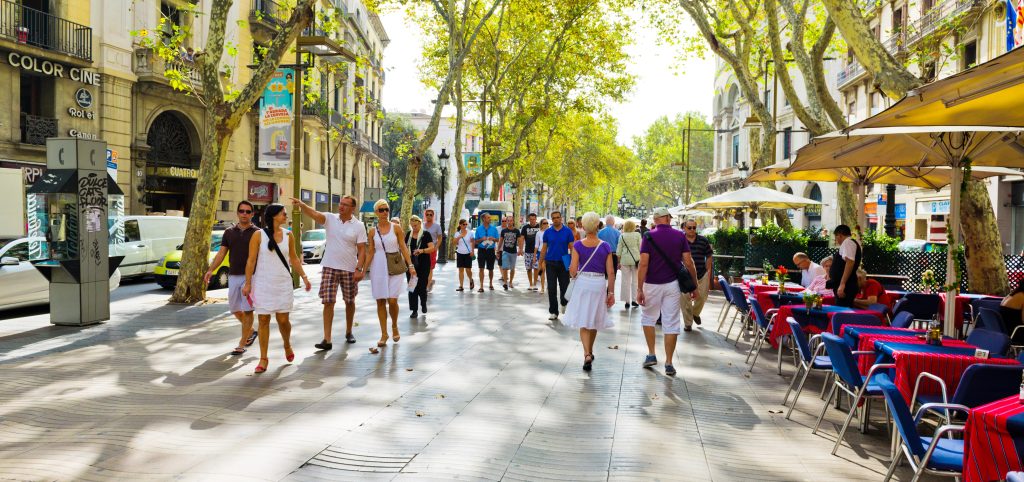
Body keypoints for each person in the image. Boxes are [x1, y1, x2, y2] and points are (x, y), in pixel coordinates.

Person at [242, 203, 312, 374]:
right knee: (264, 320)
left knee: (282, 321)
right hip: (263, 283)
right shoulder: (258, 235)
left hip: (282, 283)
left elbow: (294, 259)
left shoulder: (289, 235)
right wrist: (248, 283)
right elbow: (251, 260)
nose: (286, 216)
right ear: (274, 216)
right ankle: (263, 358)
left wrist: (304, 276)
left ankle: (287, 344)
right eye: (283, 214)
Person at [291, 195, 367, 350]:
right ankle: (327, 339)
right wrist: (302, 205)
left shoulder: (359, 226)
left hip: (349, 269)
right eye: (341, 203)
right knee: (328, 302)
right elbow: (314, 214)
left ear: (352, 208)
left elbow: (362, 250)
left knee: (350, 301)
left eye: (345, 205)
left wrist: (359, 269)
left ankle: (349, 331)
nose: (341, 206)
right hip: (329, 267)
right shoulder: (330, 219)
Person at [637, 207, 698, 377]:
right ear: (667, 219)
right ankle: (669, 363)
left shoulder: (648, 236)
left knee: (648, 318)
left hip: (651, 284)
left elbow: (643, 264)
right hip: (672, 284)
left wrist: (639, 288)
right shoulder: (680, 236)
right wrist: (694, 286)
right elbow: (688, 262)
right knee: (671, 322)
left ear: (656, 219)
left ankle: (651, 354)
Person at [563, 212, 616, 371]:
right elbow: (611, 272)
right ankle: (590, 351)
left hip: (583, 283)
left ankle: (586, 353)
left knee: (583, 318)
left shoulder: (578, 245)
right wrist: (611, 293)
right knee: (593, 317)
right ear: (598, 226)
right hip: (599, 283)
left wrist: (572, 269)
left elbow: (573, 271)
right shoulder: (605, 246)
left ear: (584, 226)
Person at [206, 201, 259, 355]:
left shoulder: (257, 232)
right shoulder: (229, 232)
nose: (244, 214)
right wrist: (210, 270)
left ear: (252, 214)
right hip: (233, 275)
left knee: (248, 310)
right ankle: (252, 331)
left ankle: (242, 344)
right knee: (235, 309)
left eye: (248, 211)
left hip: (251, 276)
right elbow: (221, 253)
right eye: (241, 211)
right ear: (237, 213)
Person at [363, 200, 416, 350]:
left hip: (395, 266)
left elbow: (404, 247)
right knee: (380, 302)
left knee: (392, 301)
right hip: (378, 267)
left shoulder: (397, 228)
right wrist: (362, 269)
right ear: (376, 213)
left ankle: (394, 326)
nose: (385, 212)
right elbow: (371, 251)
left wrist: (410, 265)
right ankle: (384, 334)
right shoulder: (373, 231)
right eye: (381, 210)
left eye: (386, 209)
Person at [540, 211, 575, 320]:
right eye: (553, 218)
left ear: (561, 218)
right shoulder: (547, 232)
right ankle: (553, 311)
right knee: (551, 288)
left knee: (564, 287)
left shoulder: (568, 232)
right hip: (550, 262)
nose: (555, 219)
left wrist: (574, 263)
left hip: (564, 262)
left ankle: (564, 303)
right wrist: (540, 262)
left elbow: (572, 248)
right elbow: (544, 248)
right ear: (551, 219)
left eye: (557, 217)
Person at [681, 218, 713, 330]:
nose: (692, 229)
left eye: (694, 227)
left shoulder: (703, 240)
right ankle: (688, 323)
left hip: (701, 273)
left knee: (702, 296)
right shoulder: (680, 240)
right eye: (689, 227)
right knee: (685, 299)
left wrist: (708, 269)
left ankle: (695, 313)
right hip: (685, 275)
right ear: (684, 228)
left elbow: (709, 255)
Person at [406, 215, 435, 317]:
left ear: (419, 223)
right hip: (411, 265)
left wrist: (422, 250)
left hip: (423, 264)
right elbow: (405, 249)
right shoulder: (408, 235)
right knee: (412, 287)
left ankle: (423, 303)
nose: (414, 227)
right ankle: (414, 310)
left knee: (422, 287)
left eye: (416, 224)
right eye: (412, 225)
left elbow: (432, 248)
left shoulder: (425, 234)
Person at [827, 225, 862, 307]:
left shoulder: (848, 242)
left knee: (842, 312)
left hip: (846, 286)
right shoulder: (848, 243)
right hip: (843, 284)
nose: (836, 240)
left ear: (840, 235)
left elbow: (850, 262)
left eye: (836, 237)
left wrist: (842, 284)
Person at [617, 219, 641, 309]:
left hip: (625, 260)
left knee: (625, 281)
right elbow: (641, 247)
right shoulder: (637, 235)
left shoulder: (622, 236)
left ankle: (626, 301)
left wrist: (618, 262)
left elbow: (619, 250)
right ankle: (634, 300)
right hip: (636, 260)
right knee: (635, 281)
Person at [473, 213, 500, 292]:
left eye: (490, 217)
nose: (490, 219)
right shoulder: (478, 229)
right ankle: (481, 286)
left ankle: (491, 284)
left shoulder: (494, 229)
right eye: (488, 218)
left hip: (490, 250)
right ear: (484, 219)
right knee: (481, 268)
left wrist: (493, 239)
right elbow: (476, 241)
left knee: (491, 269)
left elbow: (498, 240)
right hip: (481, 250)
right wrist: (481, 239)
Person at [422, 208, 443, 292]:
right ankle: (428, 282)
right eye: (427, 214)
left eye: (431, 215)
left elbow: (440, 238)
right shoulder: (422, 225)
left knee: (430, 268)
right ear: (425, 215)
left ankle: (427, 285)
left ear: (433, 216)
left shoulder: (437, 226)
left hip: (432, 250)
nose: (429, 216)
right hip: (423, 249)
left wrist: (436, 247)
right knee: (423, 267)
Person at [519, 213, 541, 291]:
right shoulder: (525, 227)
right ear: (529, 219)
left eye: (533, 219)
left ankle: (535, 284)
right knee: (528, 268)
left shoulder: (539, 226)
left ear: (536, 219)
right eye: (531, 219)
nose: (532, 221)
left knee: (536, 268)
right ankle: (530, 284)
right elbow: (522, 238)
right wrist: (520, 249)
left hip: (537, 251)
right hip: (528, 251)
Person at [499, 216, 521, 290]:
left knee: (512, 268)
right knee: (504, 268)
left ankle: (510, 282)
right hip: (505, 251)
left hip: (513, 252)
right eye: (508, 221)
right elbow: (501, 241)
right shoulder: (504, 231)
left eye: (511, 221)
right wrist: (498, 250)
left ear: (513, 221)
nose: (509, 222)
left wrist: (520, 249)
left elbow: (519, 241)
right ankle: (505, 283)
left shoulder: (517, 231)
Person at [453, 219, 475, 291]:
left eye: (466, 224)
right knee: (460, 270)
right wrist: (459, 236)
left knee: (468, 270)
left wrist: (472, 251)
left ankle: (471, 280)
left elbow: (472, 242)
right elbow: (454, 243)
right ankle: (461, 286)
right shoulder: (457, 233)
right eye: (463, 224)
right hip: (460, 253)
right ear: (460, 225)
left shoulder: (470, 233)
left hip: (468, 253)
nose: (465, 226)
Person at [537, 218, 549, 294]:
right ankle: (542, 287)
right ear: (541, 224)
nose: (546, 224)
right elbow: (536, 245)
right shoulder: (538, 233)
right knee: (543, 270)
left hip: (550, 253)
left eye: (547, 223)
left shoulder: (550, 232)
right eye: (544, 223)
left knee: (549, 271)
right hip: (541, 253)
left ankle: (549, 285)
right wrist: (535, 255)